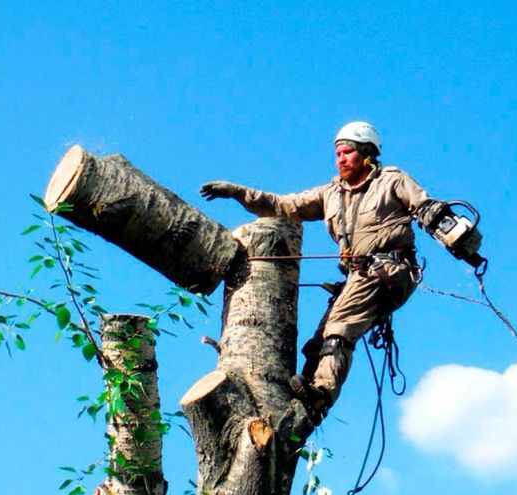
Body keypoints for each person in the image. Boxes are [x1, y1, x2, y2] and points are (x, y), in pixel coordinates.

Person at [201, 121, 470, 422]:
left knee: (340, 326)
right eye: (337, 153)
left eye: (348, 152)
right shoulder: (331, 194)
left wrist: (458, 238)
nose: (341, 159)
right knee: (319, 344)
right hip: (358, 277)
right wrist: (237, 192)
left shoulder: (391, 181)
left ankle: (321, 395)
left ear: (367, 154)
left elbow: (427, 209)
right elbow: (283, 204)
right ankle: (300, 400)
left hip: (388, 269)